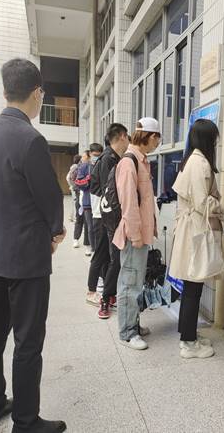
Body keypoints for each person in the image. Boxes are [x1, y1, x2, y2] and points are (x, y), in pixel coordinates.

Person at [0, 58, 67, 433]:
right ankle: (26, 422)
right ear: (37, 93)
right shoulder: (31, 139)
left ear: (4, 91)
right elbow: (50, 196)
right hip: (26, 258)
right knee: (28, 341)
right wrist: (56, 232)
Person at [170, 119, 224, 359]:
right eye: (214, 138)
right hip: (196, 231)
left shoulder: (191, 160)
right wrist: (221, 206)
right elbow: (203, 203)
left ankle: (188, 333)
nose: (216, 143)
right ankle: (188, 343)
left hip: (190, 229)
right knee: (193, 287)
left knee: (191, 286)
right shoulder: (200, 163)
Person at [113, 117, 161, 350]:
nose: (157, 144)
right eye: (157, 139)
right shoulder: (129, 162)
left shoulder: (140, 160)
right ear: (150, 137)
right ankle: (127, 332)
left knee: (135, 281)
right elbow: (129, 204)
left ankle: (132, 323)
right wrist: (136, 235)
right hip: (134, 235)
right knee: (129, 283)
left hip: (140, 233)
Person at [87, 123, 130, 313]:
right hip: (104, 216)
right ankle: (94, 292)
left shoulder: (112, 157)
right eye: (127, 137)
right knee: (104, 255)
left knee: (107, 255)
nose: (128, 141)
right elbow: (109, 191)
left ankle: (107, 293)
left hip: (106, 215)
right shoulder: (108, 159)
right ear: (122, 136)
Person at [76, 145, 104, 255]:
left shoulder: (102, 164)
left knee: (99, 228)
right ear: (90, 154)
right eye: (94, 155)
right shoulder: (84, 167)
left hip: (100, 202)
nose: (96, 157)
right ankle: (93, 249)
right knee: (90, 227)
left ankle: (98, 250)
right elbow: (78, 183)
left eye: (99, 155)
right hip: (88, 202)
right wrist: (88, 179)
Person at [73, 151, 91, 251]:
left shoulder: (90, 167)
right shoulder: (79, 167)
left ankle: (87, 244)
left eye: (83, 156)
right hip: (80, 197)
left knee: (87, 223)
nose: (82, 158)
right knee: (79, 219)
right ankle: (75, 239)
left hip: (87, 199)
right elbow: (75, 181)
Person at [66, 155, 81, 222]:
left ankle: (71, 216)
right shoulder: (75, 167)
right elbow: (68, 178)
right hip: (75, 187)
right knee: (76, 202)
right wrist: (73, 185)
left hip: (73, 187)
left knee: (74, 201)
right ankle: (74, 217)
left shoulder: (73, 167)